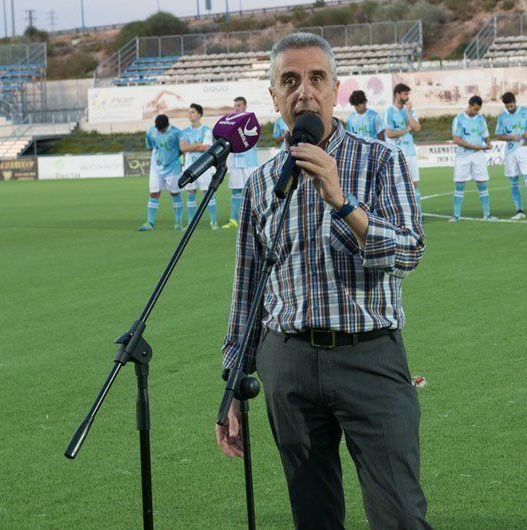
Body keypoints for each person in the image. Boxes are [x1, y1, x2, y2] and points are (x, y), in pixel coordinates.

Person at [216, 32, 431, 530]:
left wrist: (342, 201)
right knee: (313, 516)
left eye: (316, 78)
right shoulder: (260, 183)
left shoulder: (382, 161)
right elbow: (247, 290)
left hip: (369, 357)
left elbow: (409, 252)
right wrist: (232, 382)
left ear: (334, 88)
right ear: (274, 96)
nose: (303, 92)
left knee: (399, 512)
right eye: (289, 81)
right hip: (286, 364)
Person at [495, 92, 527, 220]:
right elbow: (499, 135)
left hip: (523, 150)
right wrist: (510, 137)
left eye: (511, 106)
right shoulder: (502, 117)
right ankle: (519, 211)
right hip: (510, 152)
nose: (509, 108)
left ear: (515, 102)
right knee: (514, 183)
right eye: (507, 107)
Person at [449, 95, 496, 222]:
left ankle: (487, 214)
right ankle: (456, 215)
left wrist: (488, 144)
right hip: (463, 156)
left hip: (478, 155)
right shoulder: (458, 119)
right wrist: (472, 146)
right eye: (474, 109)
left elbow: (486, 135)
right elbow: (456, 139)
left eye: (478, 110)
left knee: (482, 183)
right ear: (469, 105)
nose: (476, 112)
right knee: (460, 184)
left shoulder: (481, 119)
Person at [139, 114, 184, 231]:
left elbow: (181, 149)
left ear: (167, 125)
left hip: (173, 167)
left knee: (175, 193)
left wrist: (172, 157)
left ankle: (178, 223)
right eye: (158, 128)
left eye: (162, 129)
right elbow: (151, 147)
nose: (160, 131)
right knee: (154, 193)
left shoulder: (176, 133)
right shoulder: (151, 132)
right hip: (156, 167)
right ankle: (150, 223)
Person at [223, 96, 260, 229]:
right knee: (236, 192)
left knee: (253, 192)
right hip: (236, 162)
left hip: (250, 162)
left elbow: (253, 139)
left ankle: (254, 220)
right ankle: (233, 219)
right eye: (235, 106)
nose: (237, 108)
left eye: (239, 105)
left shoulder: (252, 121)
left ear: (245, 106)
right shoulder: (230, 122)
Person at [385, 83, 422, 216]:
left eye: (408, 94)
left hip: (410, 153)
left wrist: (408, 112)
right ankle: (399, 214)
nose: (407, 97)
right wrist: (405, 130)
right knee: (396, 185)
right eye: (405, 94)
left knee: (414, 184)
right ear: (397, 95)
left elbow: (417, 128)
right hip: (396, 154)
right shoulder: (389, 111)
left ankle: (418, 215)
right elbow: (389, 133)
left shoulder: (410, 111)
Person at [180, 103, 219, 229]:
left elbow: (206, 148)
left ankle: (213, 222)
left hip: (204, 166)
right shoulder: (184, 132)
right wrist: (197, 145)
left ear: (199, 114)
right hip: (189, 167)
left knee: (208, 193)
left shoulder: (207, 130)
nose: (189, 114)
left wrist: (191, 147)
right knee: (190, 193)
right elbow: (183, 148)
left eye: (192, 112)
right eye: (188, 112)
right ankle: (191, 223)